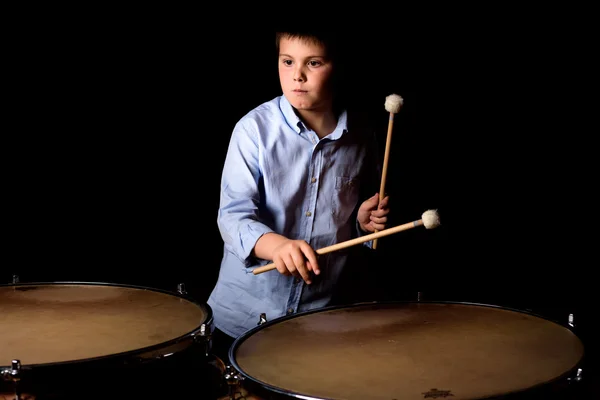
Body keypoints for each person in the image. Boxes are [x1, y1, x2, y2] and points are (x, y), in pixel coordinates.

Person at [207, 30, 390, 364]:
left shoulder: (364, 136)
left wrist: (363, 224)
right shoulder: (253, 130)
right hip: (244, 319)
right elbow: (232, 217)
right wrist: (276, 245)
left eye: (314, 63)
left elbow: (350, 221)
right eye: (287, 61)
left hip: (322, 319)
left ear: (338, 67)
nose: (297, 75)